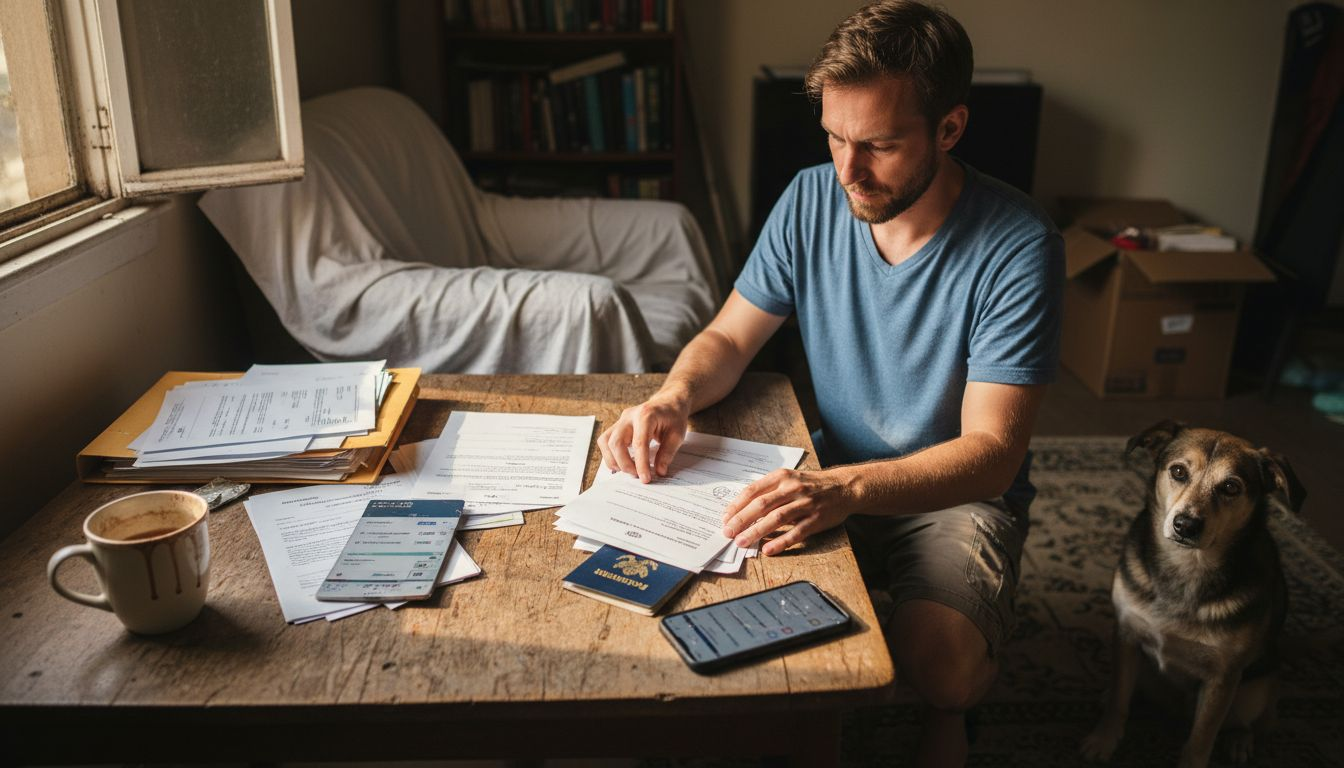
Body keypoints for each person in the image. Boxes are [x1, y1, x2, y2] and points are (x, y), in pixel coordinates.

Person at [597, 1, 1063, 765]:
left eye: (879, 145)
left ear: (949, 129)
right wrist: (672, 397)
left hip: (949, 492)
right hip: (827, 465)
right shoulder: (810, 197)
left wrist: (844, 491)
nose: (849, 171)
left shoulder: (1019, 245)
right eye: (835, 138)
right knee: (710, 616)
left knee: (941, 669)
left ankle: (956, 687)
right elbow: (728, 338)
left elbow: (992, 453)